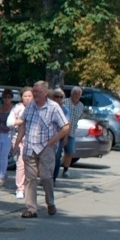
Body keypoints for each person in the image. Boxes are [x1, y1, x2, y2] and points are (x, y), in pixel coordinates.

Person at [17, 80, 69, 218]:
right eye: (34, 91)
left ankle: (50, 203)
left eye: (38, 91)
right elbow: (23, 124)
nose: (35, 94)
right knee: (30, 178)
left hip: (47, 147)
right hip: (30, 146)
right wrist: (17, 144)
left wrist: (52, 141)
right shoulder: (30, 106)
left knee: (46, 177)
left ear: (45, 92)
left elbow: (65, 127)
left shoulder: (54, 107)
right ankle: (31, 208)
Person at [9, 87, 32, 197]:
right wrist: (21, 121)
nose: (27, 98)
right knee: (21, 164)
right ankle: (20, 188)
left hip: (33, 140)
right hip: (20, 139)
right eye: (25, 96)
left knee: (32, 165)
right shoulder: (17, 108)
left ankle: (29, 187)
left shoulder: (36, 108)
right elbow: (9, 122)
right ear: (21, 97)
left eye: (29, 96)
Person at [60, 87, 86, 177]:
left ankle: (66, 170)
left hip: (72, 132)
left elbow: (79, 118)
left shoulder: (81, 106)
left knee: (70, 152)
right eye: (75, 94)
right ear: (71, 94)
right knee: (57, 152)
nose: (76, 96)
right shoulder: (65, 102)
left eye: (78, 94)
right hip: (61, 131)